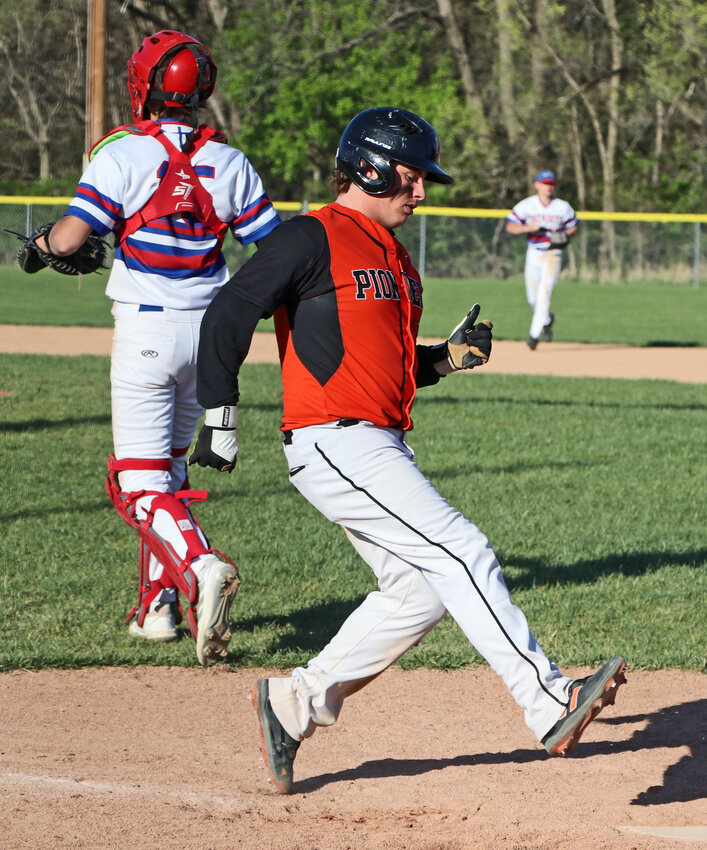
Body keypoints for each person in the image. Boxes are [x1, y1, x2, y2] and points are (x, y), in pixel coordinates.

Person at [189, 108, 625, 793]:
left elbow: (389, 362)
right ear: (368, 166)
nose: (420, 192)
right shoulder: (310, 236)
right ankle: (547, 701)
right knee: (462, 548)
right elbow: (228, 311)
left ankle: (292, 704)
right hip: (332, 436)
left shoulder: (396, 257)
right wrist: (218, 411)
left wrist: (444, 360)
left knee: (418, 591)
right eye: (410, 176)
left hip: (377, 440)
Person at [33, 29, 281, 664]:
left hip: (146, 329)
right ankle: (158, 608)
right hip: (210, 333)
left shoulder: (120, 154)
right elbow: (274, 253)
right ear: (203, 92)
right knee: (168, 474)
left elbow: (68, 240)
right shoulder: (230, 162)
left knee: (137, 486)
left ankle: (198, 567)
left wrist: (39, 248)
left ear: (142, 87)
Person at [505, 170, 578, 349]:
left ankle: (534, 335)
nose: (548, 187)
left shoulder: (562, 207)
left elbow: (573, 226)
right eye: (545, 183)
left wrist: (565, 236)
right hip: (534, 253)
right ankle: (547, 319)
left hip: (553, 254)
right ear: (537, 185)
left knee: (544, 294)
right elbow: (510, 226)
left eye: (551, 183)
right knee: (533, 298)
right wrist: (528, 227)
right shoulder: (527, 205)